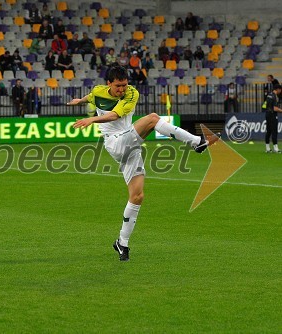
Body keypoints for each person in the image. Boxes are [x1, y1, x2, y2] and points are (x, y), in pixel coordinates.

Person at [67, 64, 218, 261]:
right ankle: (196, 142)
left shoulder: (131, 94)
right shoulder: (98, 91)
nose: (122, 89)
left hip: (130, 145)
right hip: (115, 143)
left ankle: (122, 243)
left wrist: (91, 121)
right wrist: (80, 101)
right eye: (118, 86)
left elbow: (115, 114)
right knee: (153, 118)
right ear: (109, 83)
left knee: (137, 196)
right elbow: (91, 97)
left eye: (124, 85)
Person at [264, 84, 282, 153]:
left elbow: (265, 105)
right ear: (278, 89)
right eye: (280, 90)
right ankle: (276, 148)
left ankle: (267, 148)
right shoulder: (275, 96)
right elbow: (275, 108)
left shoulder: (269, 94)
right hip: (272, 115)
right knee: (274, 131)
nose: (280, 91)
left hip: (267, 114)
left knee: (268, 131)